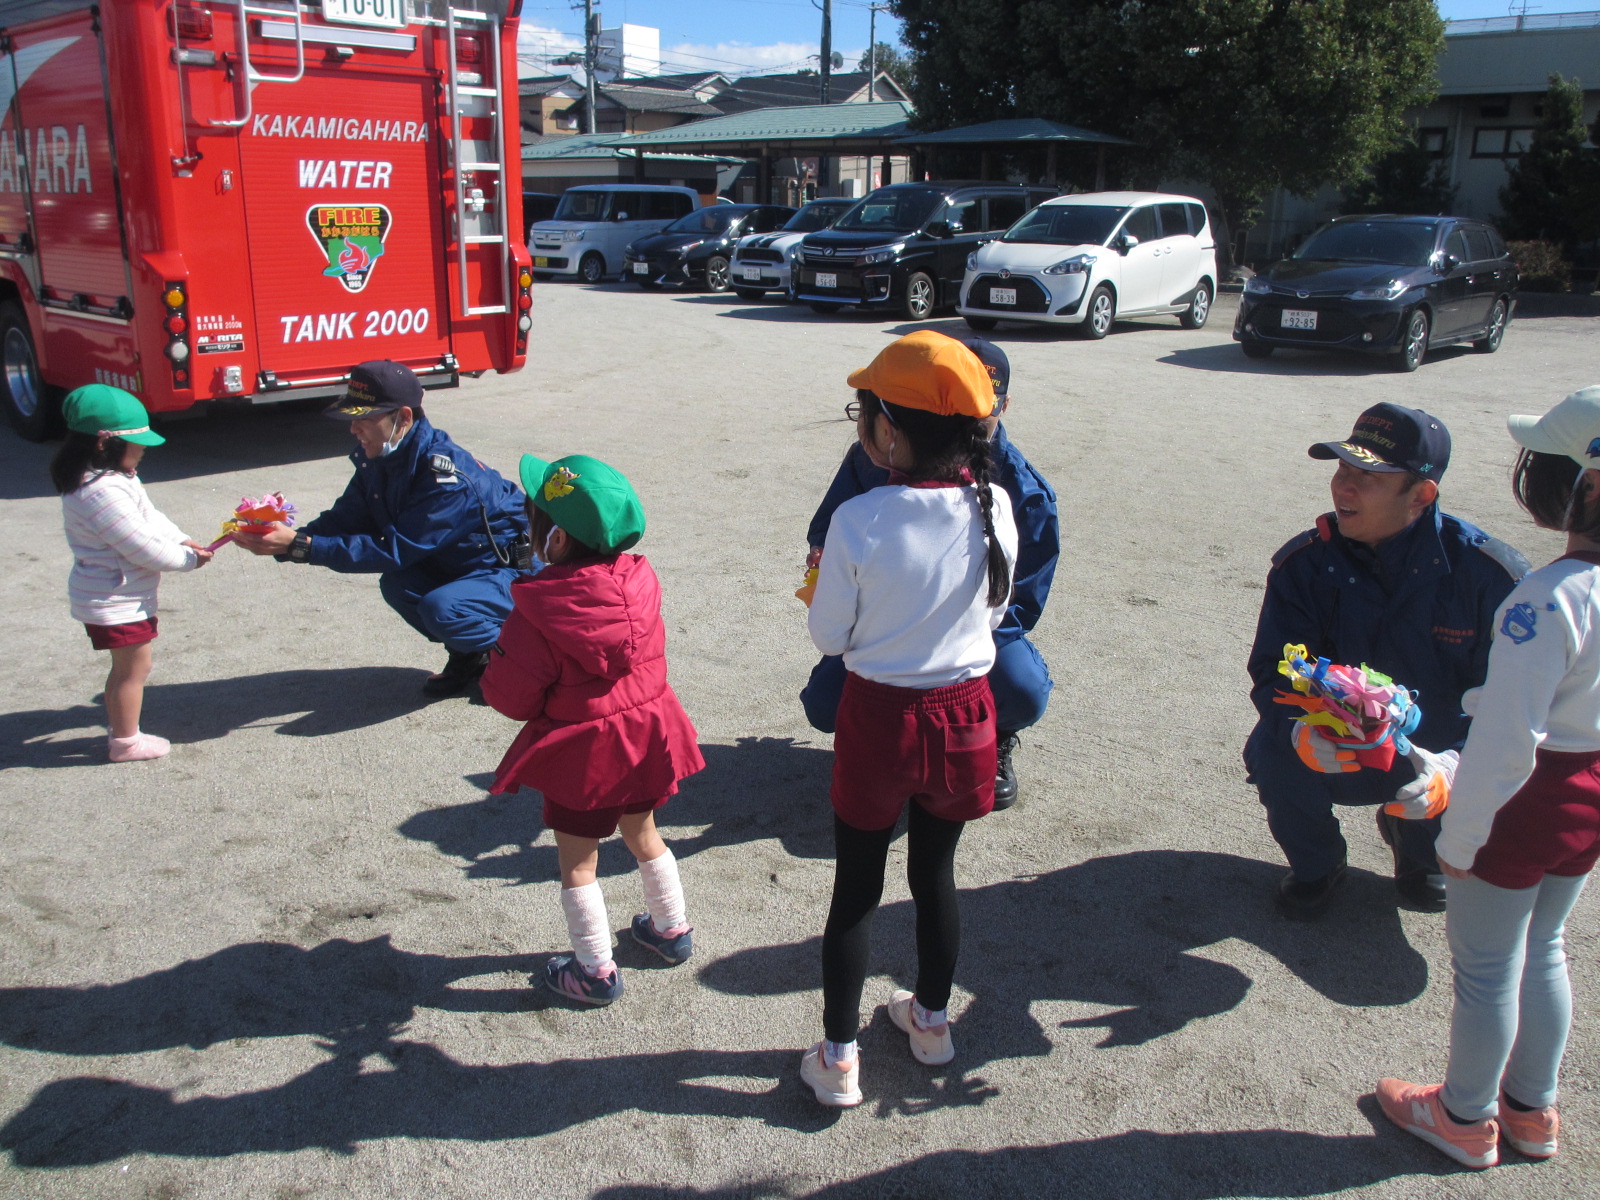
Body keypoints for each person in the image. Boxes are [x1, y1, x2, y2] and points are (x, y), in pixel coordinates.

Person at [1377, 384, 1600, 1169]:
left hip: (1523, 799)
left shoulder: (1544, 599)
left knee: (1485, 969)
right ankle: (1533, 1110)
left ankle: (1464, 1115)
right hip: (1588, 794)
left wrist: (1459, 833)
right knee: (1548, 947)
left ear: (1589, 484)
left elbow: (1508, 741)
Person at [799, 330, 1018, 1107]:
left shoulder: (861, 520)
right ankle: (930, 1024)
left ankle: (839, 1057)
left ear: (887, 430)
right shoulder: (994, 502)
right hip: (966, 715)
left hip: (881, 715)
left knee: (857, 887)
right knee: (935, 874)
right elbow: (993, 610)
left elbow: (829, 638)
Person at [1244, 403, 1527, 918]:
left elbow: (1517, 705)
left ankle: (1419, 845)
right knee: (1272, 747)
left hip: (1434, 747)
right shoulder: (1304, 564)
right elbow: (1273, 670)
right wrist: (1297, 730)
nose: (1342, 487)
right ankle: (1319, 863)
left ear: (1421, 495)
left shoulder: (1489, 578)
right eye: (1342, 470)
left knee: (1490, 777)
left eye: (1367, 477)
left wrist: (1456, 768)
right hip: (1333, 739)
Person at [480, 453, 704, 1006]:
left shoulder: (539, 610)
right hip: (649, 736)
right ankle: (670, 929)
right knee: (644, 833)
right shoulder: (639, 580)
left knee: (578, 862)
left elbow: (509, 698)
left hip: (588, 755)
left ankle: (594, 970)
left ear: (555, 540)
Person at [800, 338, 1056, 809]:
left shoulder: (1019, 491)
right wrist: (828, 561)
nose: (972, 419)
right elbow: (826, 525)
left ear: (1003, 404)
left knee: (1022, 688)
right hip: (884, 623)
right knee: (822, 703)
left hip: (967, 635)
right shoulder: (873, 456)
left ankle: (994, 735)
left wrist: (947, 638)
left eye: (983, 406)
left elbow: (1019, 602)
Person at [234, 361, 526, 696]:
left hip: (510, 574)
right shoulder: (382, 456)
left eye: (363, 418)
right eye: (351, 418)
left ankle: (522, 662)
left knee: (442, 607)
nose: (353, 429)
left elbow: (396, 550)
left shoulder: (447, 478)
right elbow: (347, 516)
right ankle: (471, 655)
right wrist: (288, 542)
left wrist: (302, 546)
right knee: (399, 585)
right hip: (459, 566)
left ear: (403, 418)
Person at [51, 385, 213, 761]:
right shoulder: (99, 493)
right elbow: (139, 545)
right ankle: (126, 742)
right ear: (104, 444)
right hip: (114, 600)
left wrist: (183, 539)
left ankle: (121, 727)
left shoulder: (114, 479)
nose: (143, 453)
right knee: (134, 669)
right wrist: (187, 561)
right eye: (137, 446)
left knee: (125, 668)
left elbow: (149, 518)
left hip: (119, 595)